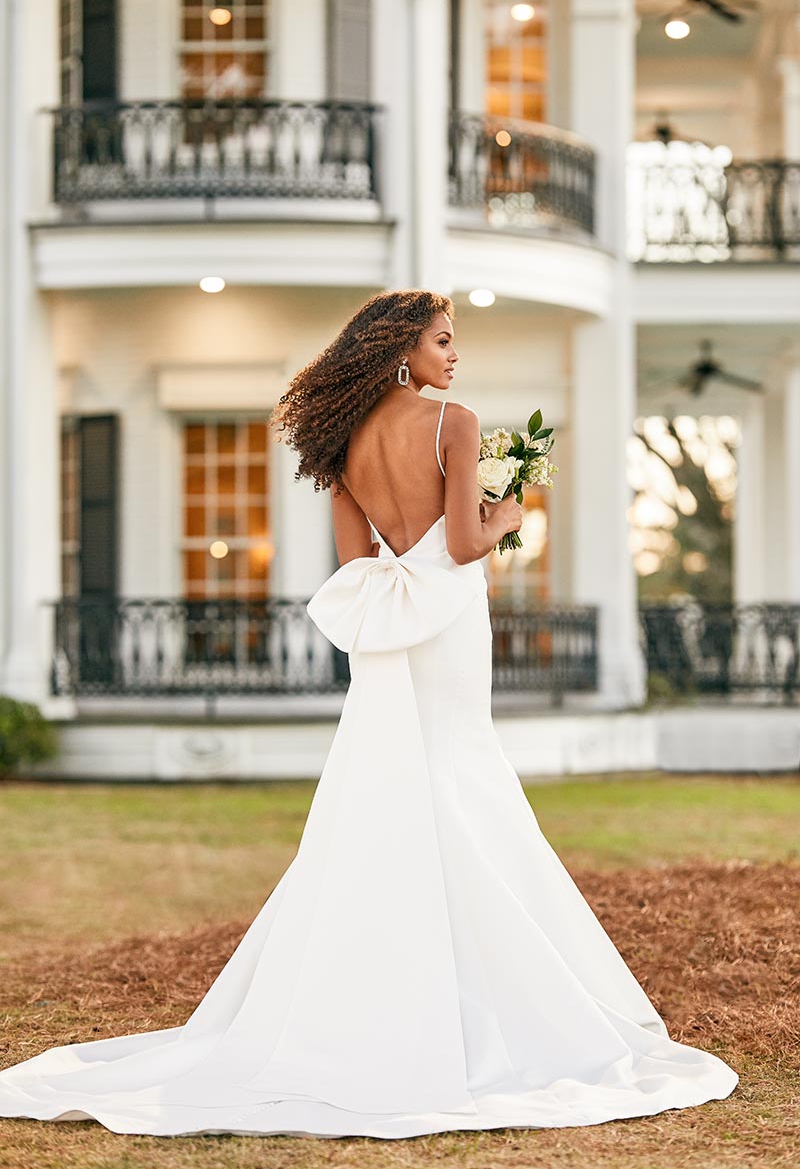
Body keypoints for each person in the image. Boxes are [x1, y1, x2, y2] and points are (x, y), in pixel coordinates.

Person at [0, 289, 737, 1139]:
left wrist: (446, 532)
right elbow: (462, 545)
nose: (454, 356)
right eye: (442, 340)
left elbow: (359, 564)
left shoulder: (341, 442)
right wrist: (511, 508)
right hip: (452, 620)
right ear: (401, 347)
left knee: (408, 781)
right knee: (463, 770)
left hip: (390, 627)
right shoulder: (453, 422)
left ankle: (385, 989)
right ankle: (490, 1000)